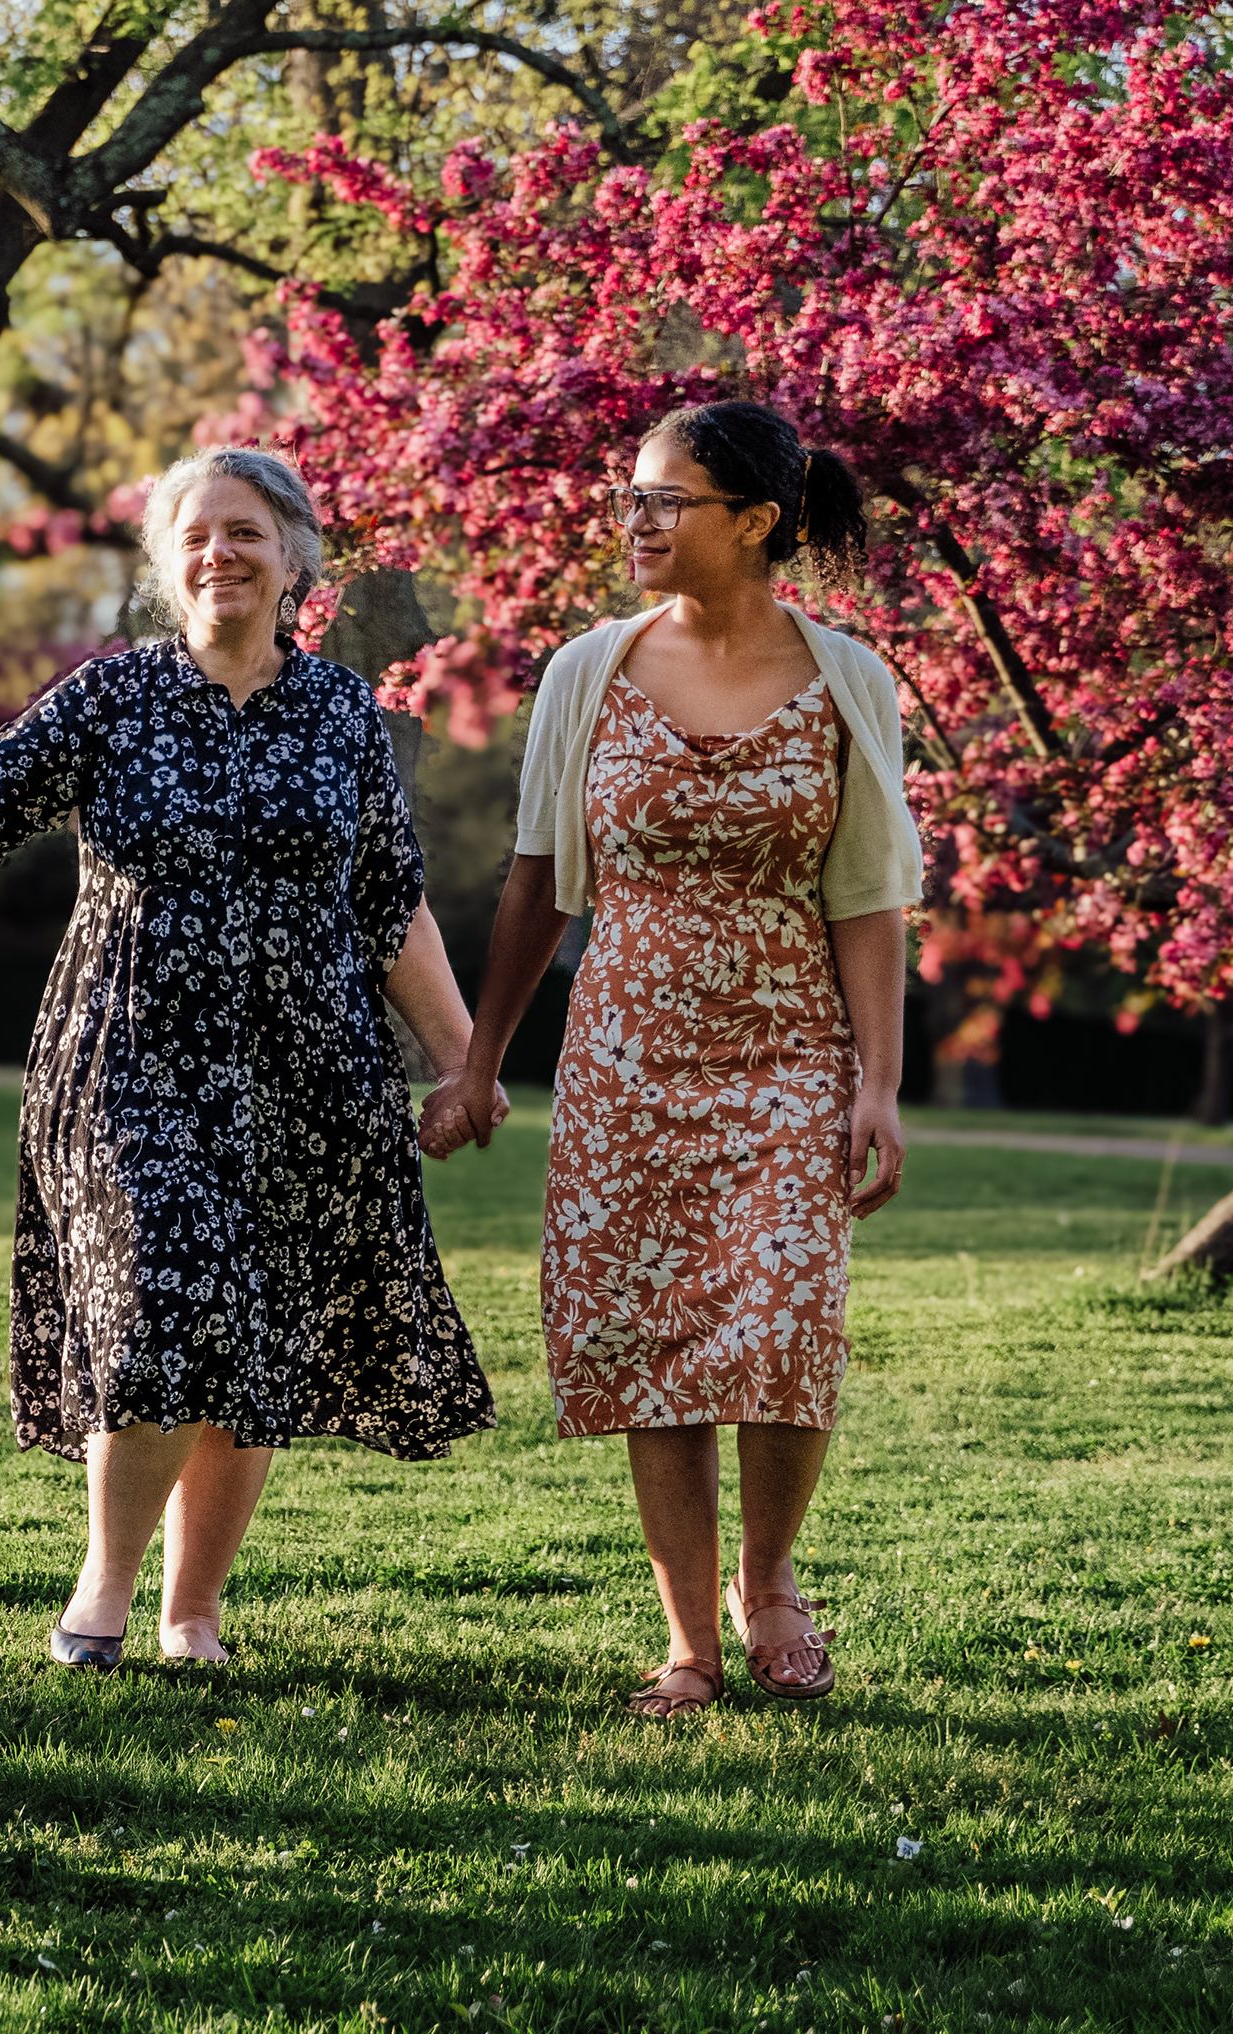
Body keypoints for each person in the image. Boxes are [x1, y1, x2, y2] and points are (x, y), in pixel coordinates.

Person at [0, 448, 488, 1670]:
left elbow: (390, 905)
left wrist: (460, 1061)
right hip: (131, 1062)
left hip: (304, 1076)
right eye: (196, 535)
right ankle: (106, 1583)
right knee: (164, 1300)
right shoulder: (113, 699)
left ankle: (194, 1611)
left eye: (246, 532)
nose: (220, 554)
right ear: (166, 566)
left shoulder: (344, 716)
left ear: (296, 558)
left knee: (251, 1332)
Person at [422, 400, 913, 1717]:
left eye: (665, 499)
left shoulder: (849, 679)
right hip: (626, 1056)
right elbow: (537, 881)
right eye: (630, 495)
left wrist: (877, 1082)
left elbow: (871, 896)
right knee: (655, 1341)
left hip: (790, 1047)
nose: (634, 520)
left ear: (753, 522)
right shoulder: (589, 670)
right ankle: (689, 1641)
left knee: (786, 1319)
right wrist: (479, 1060)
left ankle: (770, 1583)